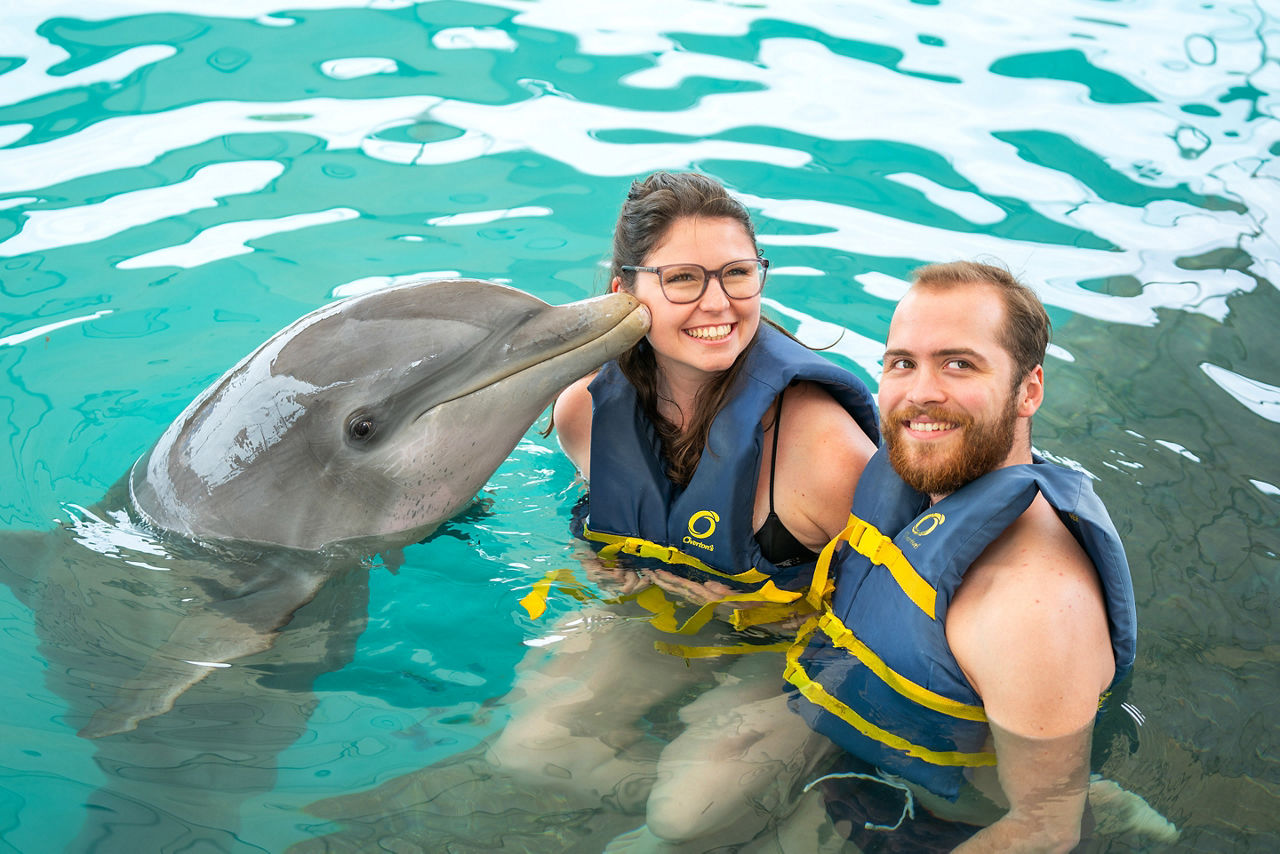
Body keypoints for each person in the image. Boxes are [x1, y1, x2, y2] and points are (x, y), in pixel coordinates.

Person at [484, 171, 880, 851]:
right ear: (625, 293)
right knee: (527, 748)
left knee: (680, 818)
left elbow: (905, 608)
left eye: (737, 274)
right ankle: (750, 803)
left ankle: (786, 798)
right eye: (683, 280)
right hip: (671, 619)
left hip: (795, 650)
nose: (718, 303)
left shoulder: (820, 447)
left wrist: (786, 617)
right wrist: (601, 557)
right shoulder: (584, 408)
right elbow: (601, 510)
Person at [784, 261, 1138, 852]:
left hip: (950, 825)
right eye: (902, 363)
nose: (921, 392)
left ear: (1029, 390)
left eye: (959, 363)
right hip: (873, 754)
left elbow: (1046, 829)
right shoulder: (919, 496)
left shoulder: (1032, 605)